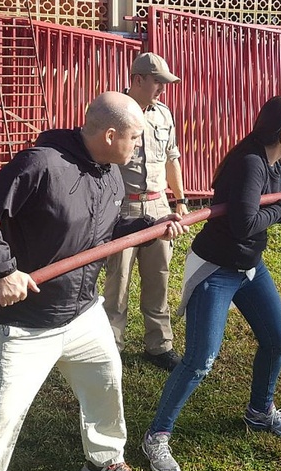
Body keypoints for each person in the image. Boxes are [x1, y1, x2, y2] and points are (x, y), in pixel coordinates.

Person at [0, 91, 188, 471]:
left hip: (83, 313)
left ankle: (105, 459)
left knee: (105, 385)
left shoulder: (110, 173)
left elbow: (106, 232)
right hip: (26, 323)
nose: (138, 147)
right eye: (134, 138)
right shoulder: (41, 164)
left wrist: (150, 225)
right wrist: (3, 270)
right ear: (111, 135)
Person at [140, 95, 281, 471]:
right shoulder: (250, 163)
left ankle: (260, 411)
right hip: (216, 269)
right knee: (200, 360)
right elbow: (245, 224)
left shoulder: (272, 162)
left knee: (278, 338)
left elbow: (266, 216)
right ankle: (156, 435)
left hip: (248, 267)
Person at [103, 52, 188, 372]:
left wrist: (179, 201)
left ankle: (159, 344)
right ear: (137, 80)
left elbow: (172, 159)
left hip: (157, 205)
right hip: (122, 206)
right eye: (157, 82)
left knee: (159, 276)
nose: (162, 89)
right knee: (118, 279)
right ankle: (112, 345)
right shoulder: (114, 112)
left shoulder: (163, 115)